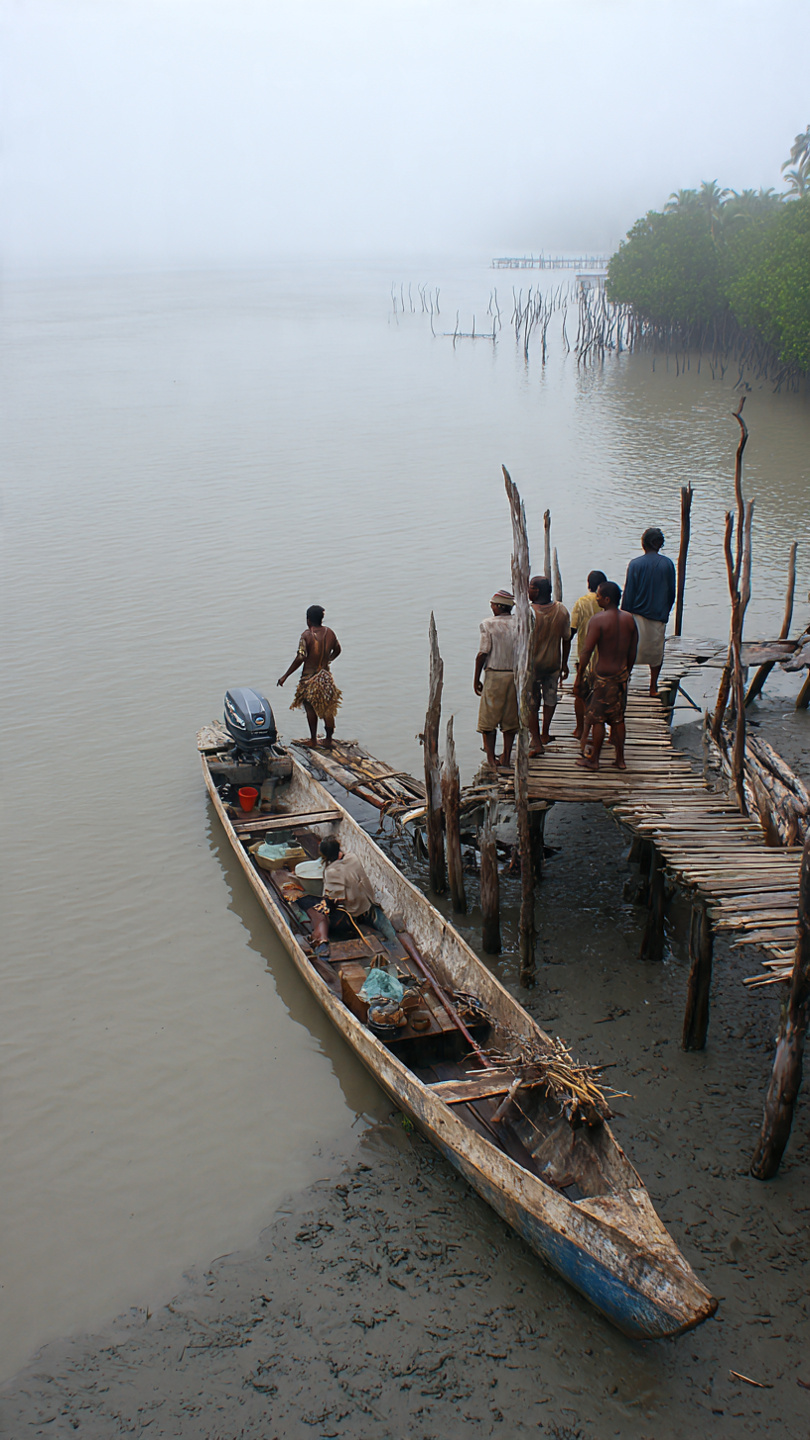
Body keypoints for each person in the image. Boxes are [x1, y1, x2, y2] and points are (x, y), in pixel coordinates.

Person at [574, 581, 638, 772]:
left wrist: (580, 675)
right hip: (620, 676)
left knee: (598, 719)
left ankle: (594, 759)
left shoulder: (598, 620)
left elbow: (587, 650)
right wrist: (627, 672)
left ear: (607, 599)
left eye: (599, 596)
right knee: (618, 719)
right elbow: (633, 651)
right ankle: (620, 759)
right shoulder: (629, 619)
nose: (597, 598)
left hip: (603, 677)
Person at [310, 836, 395, 956]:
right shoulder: (352, 857)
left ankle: (340, 938)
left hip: (354, 913)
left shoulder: (331, 871)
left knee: (323, 917)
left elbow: (335, 899)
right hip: (368, 904)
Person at [621, 528, 676, 697]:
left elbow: (629, 592)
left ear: (644, 544)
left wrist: (624, 615)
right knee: (656, 654)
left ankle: (625, 682)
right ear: (659, 544)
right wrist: (666, 612)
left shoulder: (635, 564)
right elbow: (671, 593)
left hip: (635, 616)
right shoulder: (667, 564)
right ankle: (653, 687)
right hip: (658, 616)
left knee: (630, 651)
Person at [277, 605, 342, 748]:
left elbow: (301, 657)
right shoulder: (330, 633)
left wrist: (285, 676)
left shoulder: (306, 635)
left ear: (308, 620)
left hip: (309, 679)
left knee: (310, 707)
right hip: (325, 678)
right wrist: (328, 660)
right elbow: (338, 649)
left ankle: (313, 740)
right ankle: (328, 739)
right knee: (328, 708)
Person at [474, 590, 518, 769]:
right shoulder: (520, 623)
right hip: (514, 675)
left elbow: (483, 653)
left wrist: (476, 678)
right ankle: (506, 756)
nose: (491, 606)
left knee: (488, 720)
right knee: (510, 720)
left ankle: (491, 759)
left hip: (495, 675)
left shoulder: (488, 624)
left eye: (492, 604)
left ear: (499, 606)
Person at [528, 576, 571, 754]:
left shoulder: (529, 613)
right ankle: (545, 732)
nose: (528, 590)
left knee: (531, 702)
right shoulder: (561, 610)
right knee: (550, 698)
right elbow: (567, 639)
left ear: (537, 591)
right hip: (553, 663)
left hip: (531, 666)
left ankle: (536, 739)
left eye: (530, 587)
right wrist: (564, 663)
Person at [570, 569, 607, 740]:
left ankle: (579, 728)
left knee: (580, 695)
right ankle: (600, 728)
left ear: (588, 585)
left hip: (585, 656)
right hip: (604, 659)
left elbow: (572, 629)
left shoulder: (581, 602)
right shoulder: (608, 603)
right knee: (601, 696)